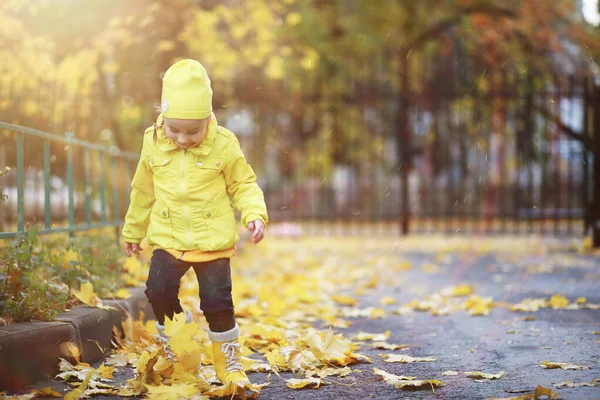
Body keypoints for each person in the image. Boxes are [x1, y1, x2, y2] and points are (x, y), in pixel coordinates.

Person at [121, 59, 268, 386]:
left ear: (208, 119)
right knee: (157, 291)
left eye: (193, 131)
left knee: (217, 303)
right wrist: (134, 229)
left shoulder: (225, 143)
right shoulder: (153, 140)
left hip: (212, 241)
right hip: (168, 237)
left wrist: (254, 213)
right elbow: (143, 188)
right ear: (163, 118)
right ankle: (179, 343)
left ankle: (228, 366)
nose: (183, 139)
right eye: (175, 130)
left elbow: (243, 184)